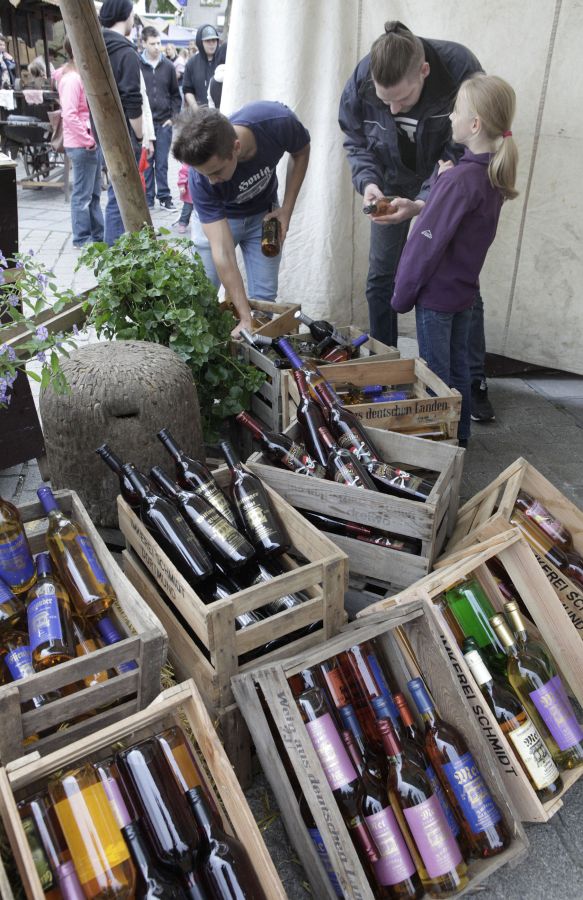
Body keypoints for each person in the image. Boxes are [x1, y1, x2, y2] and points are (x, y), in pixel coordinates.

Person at [339, 20, 496, 422]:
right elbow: (354, 138)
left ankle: (473, 381)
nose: (393, 109)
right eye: (384, 100)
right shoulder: (363, 75)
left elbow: (467, 147)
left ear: (423, 71)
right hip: (390, 179)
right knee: (381, 277)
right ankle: (385, 368)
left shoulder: (459, 67)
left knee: (459, 280)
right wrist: (369, 183)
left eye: (403, 98)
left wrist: (426, 200)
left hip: (447, 184)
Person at [391, 74, 518, 447]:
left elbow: (425, 243)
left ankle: (440, 447)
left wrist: (401, 294)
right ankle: (460, 439)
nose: (450, 117)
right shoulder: (489, 175)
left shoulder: (459, 181)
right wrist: (442, 186)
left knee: (435, 377)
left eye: (456, 111)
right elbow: (456, 224)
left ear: (474, 124)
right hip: (464, 293)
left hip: (437, 298)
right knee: (460, 368)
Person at [172, 102, 311, 335]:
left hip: (263, 215)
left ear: (235, 147)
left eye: (216, 171)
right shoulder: (200, 181)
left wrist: (287, 209)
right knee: (202, 294)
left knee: (264, 300)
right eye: (205, 173)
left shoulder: (277, 122)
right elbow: (223, 253)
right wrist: (245, 317)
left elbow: (301, 151)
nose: (212, 180)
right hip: (220, 220)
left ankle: (254, 351)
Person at [99, 0, 147, 245]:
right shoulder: (124, 51)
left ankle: (116, 251)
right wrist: (139, 135)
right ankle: (116, 255)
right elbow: (132, 98)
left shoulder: (97, 46)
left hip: (101, 131)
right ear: (126, 15)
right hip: (123, 134)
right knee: (121, 198)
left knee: (116, 195)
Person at [55, 37, 104, 248]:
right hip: (82, 143)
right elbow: (69, 114)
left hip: (87, 141)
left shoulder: (76, 76)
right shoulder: (72, 79)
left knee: (93, 194)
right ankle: (82, 238)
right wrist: (88, 139)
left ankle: (97, 235)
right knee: (83, 195)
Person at [140, 25, 181, 210]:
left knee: (162, 162)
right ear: (144, 43)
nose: (157, 47)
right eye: (152, 44)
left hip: (164, 122)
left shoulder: (169, 66)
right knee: (147, 162)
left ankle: (164, 196)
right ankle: (148, 197)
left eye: (159, 43)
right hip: (145, 123)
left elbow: (176, 95)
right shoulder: (138, 65)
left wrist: (173, 118)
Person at [182, 23, 225, 109]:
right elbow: (188, 90)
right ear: (200, 42)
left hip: (221, 112)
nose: (212, 44)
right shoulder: (192, 63)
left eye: (214, 40)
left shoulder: (224, 60)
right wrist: (196, 110)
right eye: (208, 41)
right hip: (200, 113)